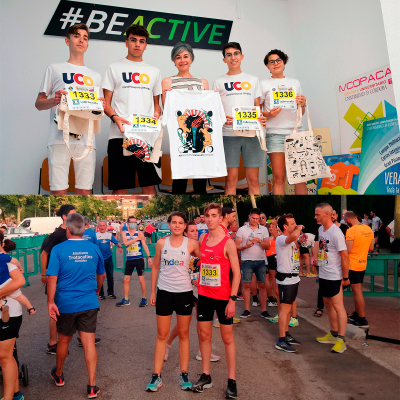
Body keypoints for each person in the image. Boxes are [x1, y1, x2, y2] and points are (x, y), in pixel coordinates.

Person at [35, 23, 105, 194]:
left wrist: (100, 106)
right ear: (67, 41)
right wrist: (54, 100)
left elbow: (96, 110)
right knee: (58, 191)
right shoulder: (54, 69)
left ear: (87, 45)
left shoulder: (95, 76)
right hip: (59, 136)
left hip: (86, 139)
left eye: (85, 37)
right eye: (76, 36)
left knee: (85, 190)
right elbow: (38, 103)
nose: (81, 40)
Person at [46, 213, 105, 398]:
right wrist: (97, 290)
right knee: (88, 342)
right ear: (84, 229)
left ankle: (59, 374)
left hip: (66, 303)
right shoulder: (94, 249)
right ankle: (92, 385)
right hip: (89, 301)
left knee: (64, 340)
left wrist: (50, 302)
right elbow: (101, 275)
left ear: (68, 229)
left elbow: (52, 278)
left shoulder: (58, 249)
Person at [101, 24, 162, 194]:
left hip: (147, 136)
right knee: (120, 188)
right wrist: (116, 118)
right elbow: (105, 103)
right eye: (133, 40)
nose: (137, 44)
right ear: (126, 42)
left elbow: (157, 105)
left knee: (149, 186)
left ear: (145, 45)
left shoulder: (154, 71)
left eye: (141, 41)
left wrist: (157, 113)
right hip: (119, 135)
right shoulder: (113, 68)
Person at [147, 212, 200, 392]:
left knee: (184, 334)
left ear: (185, 226)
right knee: (162, 335)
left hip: (184, 293)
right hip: (164, 292)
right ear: (169, 224)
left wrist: (200, 279)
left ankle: (184, 374)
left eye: (181, 223)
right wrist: (152, 291)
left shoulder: (192, 244)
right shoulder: (161, 243)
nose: (177, 225)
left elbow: (206, 262)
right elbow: (155, 267)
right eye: (174, 222)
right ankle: (156, 376)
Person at [192, 203, 240, 399]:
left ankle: (231, 380)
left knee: (227, 338)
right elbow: (200, 260)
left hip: (223, 297)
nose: (210, 219)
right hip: (204, 295)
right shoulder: (203, 238)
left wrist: (232, 300)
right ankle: (206, 375)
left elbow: (236, 274)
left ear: (221, 219)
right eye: (207, 216)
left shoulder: (228, 243)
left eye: (213, 215)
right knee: (204, 335)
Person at [213, 42, 267, 194]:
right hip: (228, 134)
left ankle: (255, 212)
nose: (233, 57)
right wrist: (222, 118)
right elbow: (215, 110)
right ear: (224, 59)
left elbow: (258, 107)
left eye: (236, 53)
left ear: (242, 56)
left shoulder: (253, 80)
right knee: (231, 179)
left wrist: (261, 118)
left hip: (252, 134)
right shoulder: (218, 82)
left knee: (253, 180)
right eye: (228, 55)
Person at [164, 222, 220, 363]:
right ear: (185, 233)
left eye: (197, 230)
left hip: (203, 289)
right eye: (192, 231)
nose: (195, 233)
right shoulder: (183, 247)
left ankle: (203, 351)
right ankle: (167, 344)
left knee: (203, 322)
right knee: (185, 322)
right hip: (186, 289)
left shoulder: (203, 247)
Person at [161, 42, 209, 194]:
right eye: (178, 57)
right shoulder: (167, 82)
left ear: (192, 58)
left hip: (200, 134)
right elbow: (167, 111)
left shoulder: (203, 82)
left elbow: (207, 109)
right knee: (180, 179)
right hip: (180, 135)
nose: (182, 60)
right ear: (174, 61)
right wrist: (166, 97)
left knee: (200, 179)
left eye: (185, 56)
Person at [260, 49, 308, 195]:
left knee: (300, 177)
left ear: (284, 62)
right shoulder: (263, 84)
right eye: (271, 62)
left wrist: (303, 104)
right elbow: (257, 112)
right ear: (267, 66)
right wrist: (268, 114)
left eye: (278, 60)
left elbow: (301, 113)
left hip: (296, 132)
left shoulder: (295, 83)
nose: (275, 64)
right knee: (279, 178)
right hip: (275, 135)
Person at [41, 204, 76, 355]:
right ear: (64, 216)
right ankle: (52, 343)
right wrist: (44, 275)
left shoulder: (72, 232)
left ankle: (83, 337)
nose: (75, 216)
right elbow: (44, 254)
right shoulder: (57, 234)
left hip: (68, 277)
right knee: (55, 309)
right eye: (72, 214)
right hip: (56, 277)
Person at [314, 203, 350, 354]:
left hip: (335, 275)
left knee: (338, 306)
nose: (315, 217)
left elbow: (345, 256)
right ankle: (333, 333)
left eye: (317, 214)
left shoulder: (337, 233)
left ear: (327, 214)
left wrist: (346, 277)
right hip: (323, 273)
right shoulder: (321, 229)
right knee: (327, 304)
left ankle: (341, 340)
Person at [274, 214, 303, 353]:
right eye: (292, 223)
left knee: (288, 308)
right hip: (285, 279)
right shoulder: (281, 239)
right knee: (284, 310)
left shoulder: (290, 240)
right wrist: (299, 229)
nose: (295, 225)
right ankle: (281, 340)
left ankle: (286, 334)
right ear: (285, 226)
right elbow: (291, 237)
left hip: (294, 278)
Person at [235, 208, 270, 319]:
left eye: (257, 218)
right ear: (249, 217)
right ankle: (247, 310)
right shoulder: (242, 229)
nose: (255, 220)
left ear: (259, 218)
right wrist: (245, 246)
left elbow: (268, 246)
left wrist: (259, 241)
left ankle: (264, 310)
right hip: (247, 261)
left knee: (262, 285)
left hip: (260, 261)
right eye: (253, 218)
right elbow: (236, 245)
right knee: (246, 285)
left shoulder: (264, 229)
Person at [0, 255, 26, 400]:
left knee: (4, 357)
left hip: (8, 313)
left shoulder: (6, 264)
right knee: (6, 357)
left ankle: (9, 397)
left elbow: (20, 281)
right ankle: (16, 393)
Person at [344, 211, 374, 328]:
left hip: (352, 264)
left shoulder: (351, 231)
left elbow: (348, 250)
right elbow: (371, 248)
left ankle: (362, 318)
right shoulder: (368, 229)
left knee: (357, 292)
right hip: (362, 264)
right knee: (358, 291)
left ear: (348, 220)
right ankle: (357, 314)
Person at [118, 216, 152, 307]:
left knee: (141, 280)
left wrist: (149, 257)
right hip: (129, 259)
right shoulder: (124, 233)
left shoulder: (140, 233)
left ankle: (144, 299)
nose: (134, 224)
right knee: (126, 279)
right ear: (128, 223)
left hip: (139, 259)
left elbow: (144, 245)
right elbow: (125, 243)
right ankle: (126, 299)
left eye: (135, 222)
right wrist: (137, 239)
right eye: (132, 222)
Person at [0, 236, 35, 320]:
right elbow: (15, 261)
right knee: (19, 295)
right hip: (8, 282)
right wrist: (20, 268)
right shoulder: (4, 257)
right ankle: (30, 308)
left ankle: (2, 307)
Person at [96, 221, 123, 300]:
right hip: (99, 259)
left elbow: (116, 242)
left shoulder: (109, 235)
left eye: (103, 225)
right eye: (100, 225)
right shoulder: (95, 235)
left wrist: (120, 247)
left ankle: (110, 293)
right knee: (100, 277)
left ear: (106, 226)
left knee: (110, 276)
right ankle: (100, 293)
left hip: (108, 258)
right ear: (98, 226)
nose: (102, 227)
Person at [266, 222, 278, 307]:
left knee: (273, 277)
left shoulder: (277, 238)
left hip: (274, 257)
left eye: (272, 227)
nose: (271, 229)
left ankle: (275, 295)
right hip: (267, 257)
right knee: (269, 277)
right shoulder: (268, 237)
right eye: (269, 227)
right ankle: (270, 294)